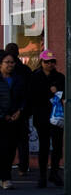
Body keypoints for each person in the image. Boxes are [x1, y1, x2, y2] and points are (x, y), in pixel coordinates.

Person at [30, 49, 65, 188]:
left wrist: (57, 92)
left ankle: (54, 173)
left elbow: (66, 94)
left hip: (56, 116)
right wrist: (49, 93)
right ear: (41, 62)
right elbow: (32, 95)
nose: (50, 64)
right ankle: (42, 175)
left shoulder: (60, 77)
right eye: (47, 61)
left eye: (52, 61)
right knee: (43, 146)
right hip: (41, 116)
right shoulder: (35, 76)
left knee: (57, 146)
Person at [3, 42, 32, 178]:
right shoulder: (25, 70)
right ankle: (23, 167)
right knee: (21, 141)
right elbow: (28, 92)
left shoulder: (16, 74)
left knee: (10, 144)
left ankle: (8, 172)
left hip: (13, 112)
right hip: (19, 112)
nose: (10, 65)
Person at [0, 50, 27, 189]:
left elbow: (24, 97)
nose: (10, 65)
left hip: (15, 120)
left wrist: (19, 110)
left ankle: (5, 176)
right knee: (2, 149)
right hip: (1, 118)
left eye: (12, 62)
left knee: (10, 149)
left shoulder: (18, 79)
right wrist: (3, 115)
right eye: (7, 62)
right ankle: (4, 177)